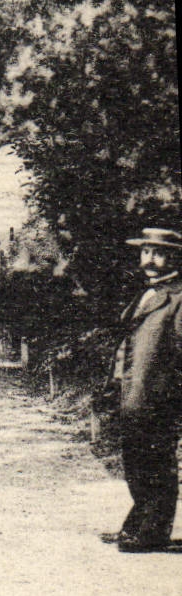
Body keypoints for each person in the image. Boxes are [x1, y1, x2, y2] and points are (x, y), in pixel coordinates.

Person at [101, 226, 182, 553]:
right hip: (133, 393)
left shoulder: (177, 298)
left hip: (158, 396)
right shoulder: (146, 292)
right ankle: (139, 523)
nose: (150, 259)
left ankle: (152, 531)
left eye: (159, 253)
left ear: (174, 257)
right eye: (146, 252)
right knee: (135, 460)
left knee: (156, 463)